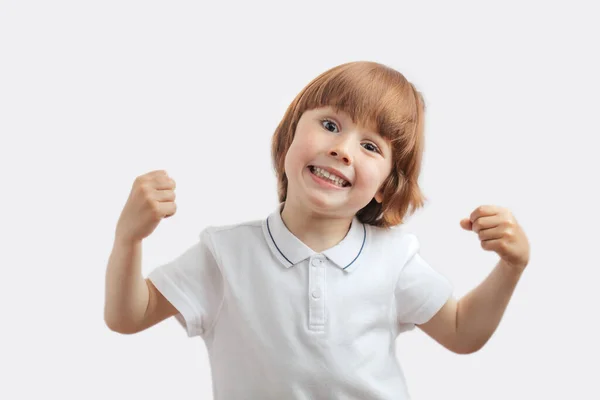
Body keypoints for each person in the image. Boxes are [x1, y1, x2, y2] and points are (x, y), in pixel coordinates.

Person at [104, 61, 531, 399]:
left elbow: (461, 331)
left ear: (386, 186)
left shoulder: (394, 259)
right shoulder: (225, 253)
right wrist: (129, 238)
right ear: (290, 136)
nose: (341, 149)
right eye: (330, 125)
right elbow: (128, 316)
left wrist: (511, 266)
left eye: (370, 146)